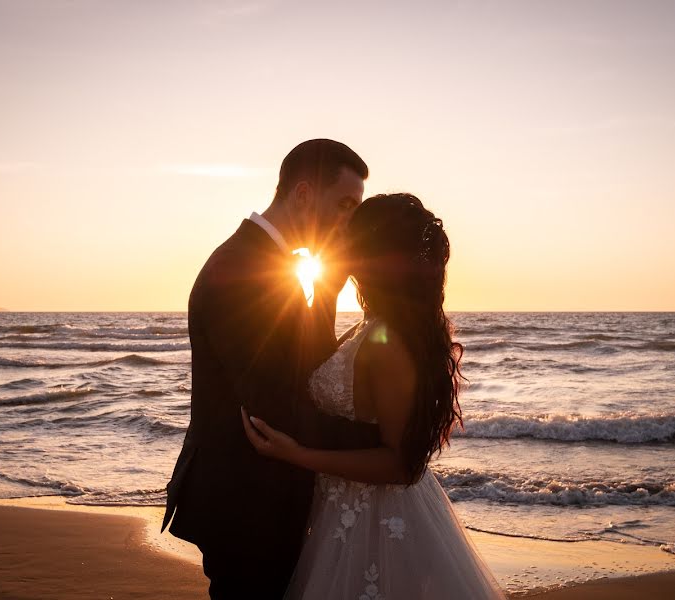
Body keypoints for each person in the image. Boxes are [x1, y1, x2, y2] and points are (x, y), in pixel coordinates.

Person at [242, 193, 507, 599]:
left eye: (352, 235)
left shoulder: (387, 343)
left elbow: (400, 464)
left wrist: (295, 454)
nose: (339, 239)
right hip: (342, 510)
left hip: (377, 520)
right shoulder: (372, 327)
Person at [162, 139, 381, 599]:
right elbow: (275, 406)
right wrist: (381, 445)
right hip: (245, 503)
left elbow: (306, 369)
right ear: (302, 194)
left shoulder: (270, 263)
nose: (349, 221)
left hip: (258, 496)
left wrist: (327, 291)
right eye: (343, 204)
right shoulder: (244, 270)